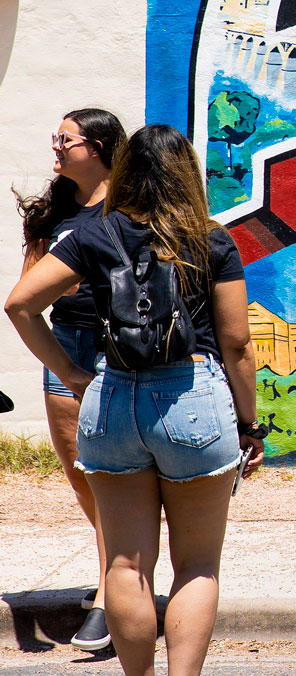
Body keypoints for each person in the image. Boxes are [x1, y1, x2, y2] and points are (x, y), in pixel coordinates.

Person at [5, 124, 265, 676]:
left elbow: (20, 304)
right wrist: (250, 424)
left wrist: (71, 374)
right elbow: (238, 343)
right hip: (192, 398)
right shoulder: (211, 239)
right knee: (196, 566)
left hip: (113, 396)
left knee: (125, 565)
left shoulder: (93, 233)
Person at [12, 107, 127, 651]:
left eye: (65, 139)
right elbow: (28, 288)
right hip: (66, 349)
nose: (56, 147)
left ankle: (111, 591)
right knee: (81, 475)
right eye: (54, 137)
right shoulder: (52, 211)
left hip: (120, 350)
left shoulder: (129, 206)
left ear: (98, 148)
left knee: (113, 476)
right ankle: (114, 573)